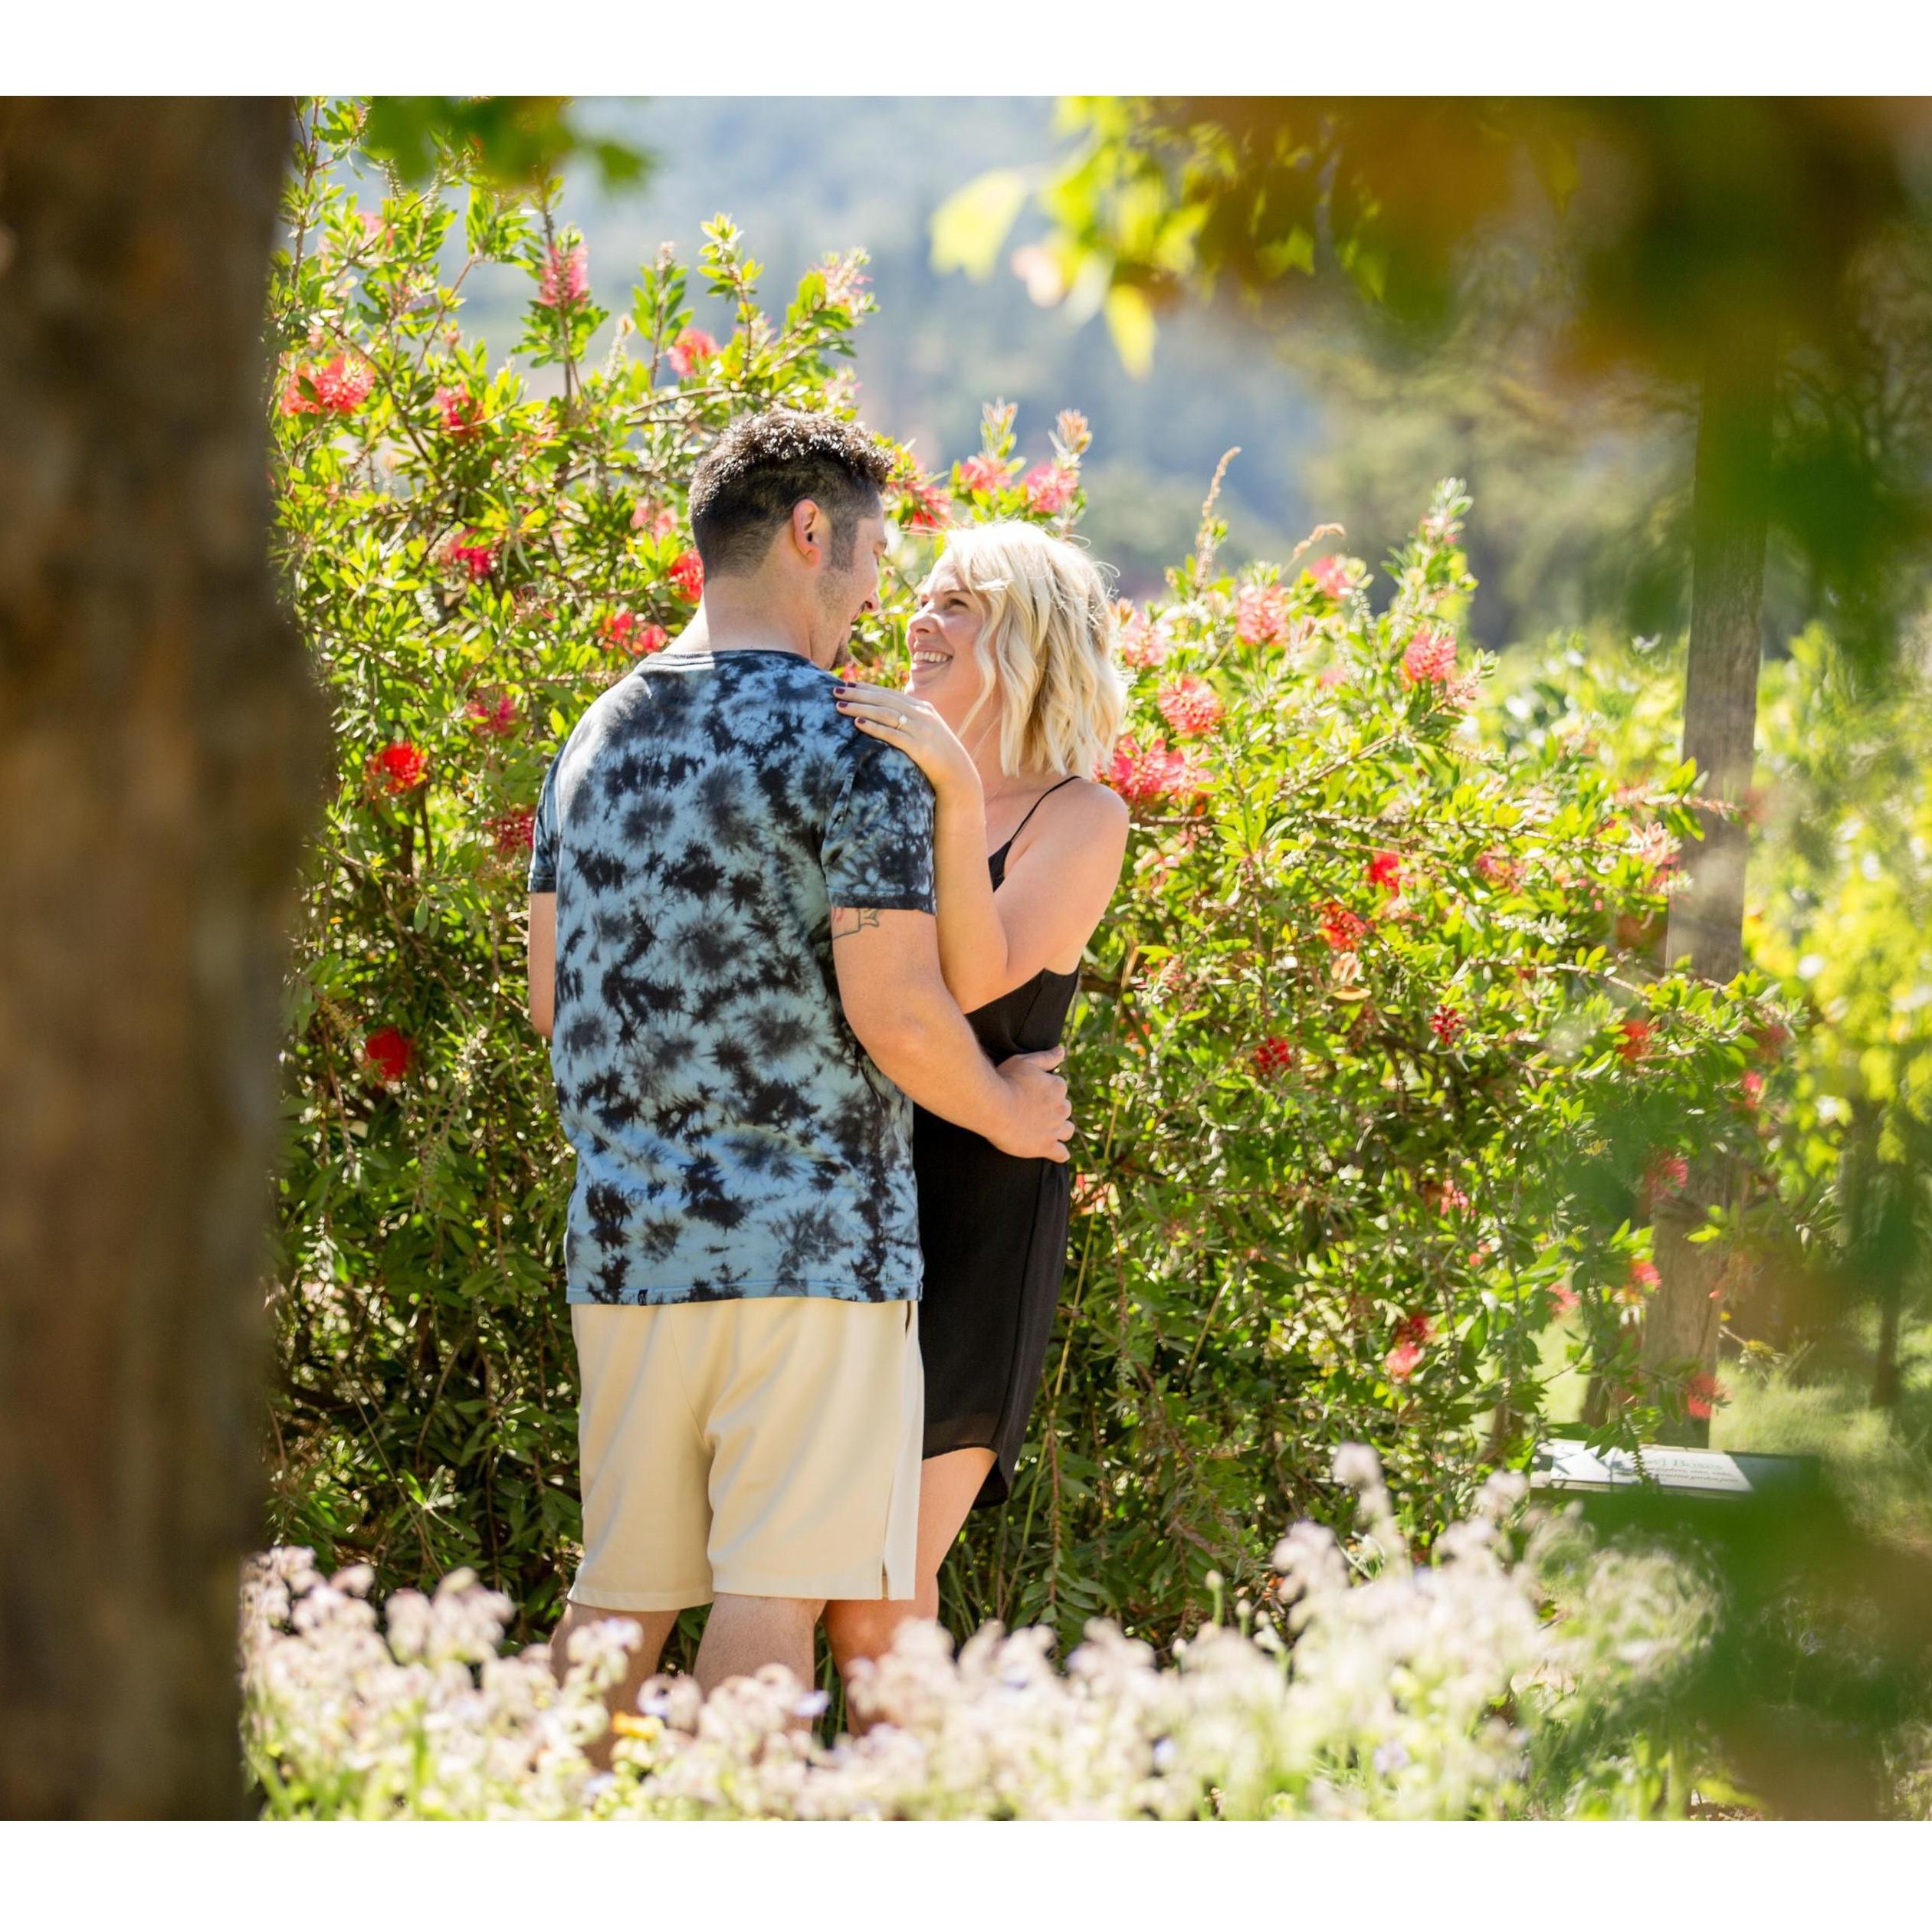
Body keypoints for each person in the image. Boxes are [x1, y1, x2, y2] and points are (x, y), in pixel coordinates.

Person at [526, 412, 1074, 1737]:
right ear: (810, 532)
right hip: (812, 1251)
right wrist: (1008, 1108)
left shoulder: (594, 736)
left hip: (626, 1245)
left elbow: (551, 1000)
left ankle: (509, 1838)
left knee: (614, 1610)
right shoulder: (852, 742)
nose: (877, 598)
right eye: (874, 557)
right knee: (769, 1606)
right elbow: (899, 1010)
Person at [821, 520, 1130, 1673]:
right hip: (838, 1207)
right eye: (926, 595)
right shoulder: (881, 789)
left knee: (876, 1606)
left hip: (975, 1219)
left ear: (1031, 640)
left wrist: (951, 783)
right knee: (808, 1578)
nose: (919, 617)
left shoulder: (1080, 817)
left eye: (958, 603)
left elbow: (966, 977)